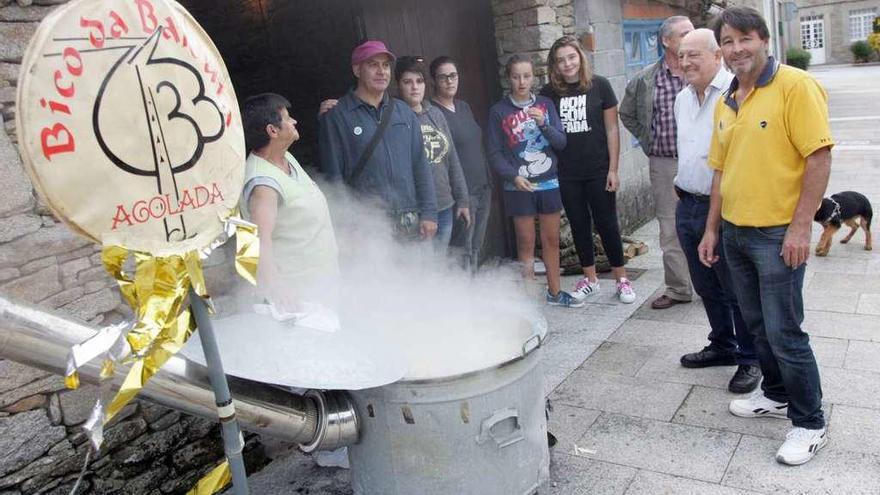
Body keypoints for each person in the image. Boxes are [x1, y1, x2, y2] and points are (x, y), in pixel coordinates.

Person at [699, 6, 833, 465]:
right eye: (728, 42)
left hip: (777, 235)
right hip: (735, 232)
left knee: (784, 331)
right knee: (757, 326)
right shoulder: (727, 99)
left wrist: (800, 227)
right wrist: (712, 229)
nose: (736, 50)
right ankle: (775, 394)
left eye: (744, 39)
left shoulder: (796, 86)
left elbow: (818, 158)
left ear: (764, 39)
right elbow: (720, 171)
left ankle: (810, 421)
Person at [672, 29, 760, 393]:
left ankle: (750, 357)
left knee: (735, 287)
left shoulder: (735, 95)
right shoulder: (682, 98)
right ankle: (722, 344)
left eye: (694, 55)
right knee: (706, 285)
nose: (686, 62)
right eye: (681, 56)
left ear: (717, 56)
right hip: (687, 202)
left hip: (721, 208)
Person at [540, 35, 636, 305]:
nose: (567, 64)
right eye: (560, 60)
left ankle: (621, 279)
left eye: (571, 57)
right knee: (579, 225)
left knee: (607, 224)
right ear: (555, 66)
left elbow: (612, 129)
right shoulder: (548, 94)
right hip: (567, 172)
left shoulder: (601, 86)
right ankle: (590, 279)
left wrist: (613, 169)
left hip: (598, 169)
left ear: (580, 58)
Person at [319, 40, 437, 241]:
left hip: (409, 219)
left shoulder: (405, 113)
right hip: (367, 226)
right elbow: (333, 178)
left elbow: (420, 165)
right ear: (357, 70)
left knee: (417, 273)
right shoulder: (337, 116)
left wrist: (429, 212)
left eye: (385, 65)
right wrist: (346, 225)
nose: (381, 71)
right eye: (373, 65)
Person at [487, 54, 579, 308]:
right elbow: (493, 152)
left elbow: (561, 142)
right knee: (525, 243)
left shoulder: (546, 104)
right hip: (518, 186)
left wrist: (545, 124)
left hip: (549, 182)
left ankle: (555, 291)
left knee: (551, 241)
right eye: (516, 76)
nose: (521, 81)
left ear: (534, 77)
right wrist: (513, 176)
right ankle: (529, 298)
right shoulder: (499, 111)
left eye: (526, 76)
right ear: (509, 79)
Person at [620, 15, 695, 310]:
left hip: (702, 162)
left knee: (710, 222)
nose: (690, 38)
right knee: (670, 227)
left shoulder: (702, 72)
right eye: (684, 34)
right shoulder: (645, 79)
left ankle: (716, 286)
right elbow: (627, 114)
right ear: (666, 40)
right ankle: (679, 289)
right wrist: (648, 140)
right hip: (664, 164)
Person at [240, 93, 339, 312]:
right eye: (287, 118)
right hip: (297, 298)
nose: (294, 121)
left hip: (321, 286)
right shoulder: (263, 184)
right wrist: (277, 288)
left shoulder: (285, 159)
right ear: (272, 131)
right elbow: (258, 241)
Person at [395, 56, 470, 253]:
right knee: (421, 272)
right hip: (415, 212)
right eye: (407, 82)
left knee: (439, 268)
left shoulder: (435, 114)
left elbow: (452, 159)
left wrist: (462, 199)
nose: (414, 87)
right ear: (398, 85)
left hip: (445, 205)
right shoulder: (394, 118)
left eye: (419, 81)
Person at [430, 56, 493, 272]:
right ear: (434, 81)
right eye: (443, 77)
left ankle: (473, 293)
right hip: (462, 194)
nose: (449, 81)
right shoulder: (432, 113)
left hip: (482, 187)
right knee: (460, 251)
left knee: (476, 247)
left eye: (453, 75)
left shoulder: (464, 106)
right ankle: (463, 298)